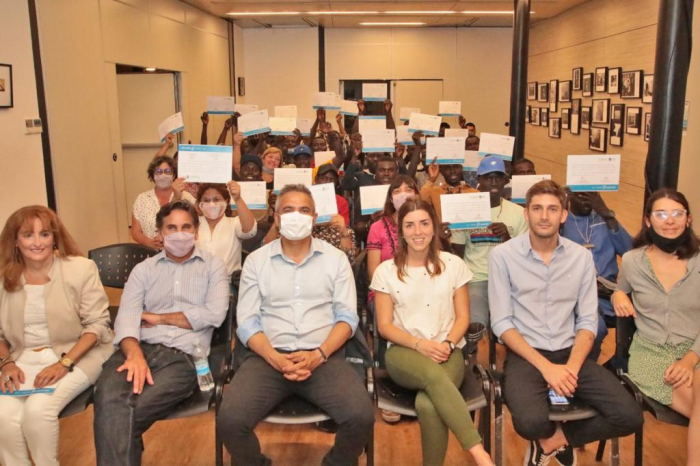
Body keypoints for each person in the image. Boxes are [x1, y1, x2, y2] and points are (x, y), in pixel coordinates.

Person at [488, 180, 643, 466]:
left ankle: (556, 442)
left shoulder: (581, 257)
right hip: (527, 356)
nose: (544, 216)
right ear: (526, 214)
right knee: (528, 422)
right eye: (537, 208)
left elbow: (587, 320)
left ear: (563, 215)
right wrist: (548, 370)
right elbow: (501, 322)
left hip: (572, 353)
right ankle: (546, 438)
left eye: (552, 209)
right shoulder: (503, 256)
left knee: (630, 415)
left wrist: (570, 369)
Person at [218, 184, 375, 466]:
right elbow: (247, 321)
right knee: (229, 420)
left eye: (304, 210)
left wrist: (319, 355)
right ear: (276, 218)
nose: (296, 216)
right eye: (288, 210)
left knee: (361, 416)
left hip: (324, 356)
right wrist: (275, 358)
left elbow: (347, 317)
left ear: (315, 218)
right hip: (268, 357)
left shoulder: (336, 260)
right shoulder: (256, 261)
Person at [93, 200, 229, 466]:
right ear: (160, 233)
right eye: (172, 227)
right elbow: (127, 318)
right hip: (135, 351)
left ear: (196, 231)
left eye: (186, 227)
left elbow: (213, 314)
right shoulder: (143, 270)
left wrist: (158, 318)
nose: (180, 234)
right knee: (108, 399)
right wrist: (134, 356)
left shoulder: (213, 266)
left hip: (182, 359)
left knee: (115, 414)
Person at [371, 199, 494, 466]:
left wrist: (448, 343)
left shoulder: (453, 265)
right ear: (400, 230)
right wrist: (419, 345)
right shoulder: (386, 272)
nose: (418, 231)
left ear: (434, 226)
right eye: (410, 225)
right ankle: (479, 453)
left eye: (424, 223)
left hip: (447, 350)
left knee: (428, 404)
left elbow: (463, 317)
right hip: (403, 353)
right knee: (432, 379)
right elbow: (384, 327)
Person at [0, 206, 114, 466]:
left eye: (45, 234)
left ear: (55, 237)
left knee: (38, 410)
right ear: (15, 241)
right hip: (21, 359)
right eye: (28, 235)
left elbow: (97, 326)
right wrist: (5, 364)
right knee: (3, 414)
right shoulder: (4, 276)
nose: (37, 242)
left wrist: (63, 364)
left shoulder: (80, 269)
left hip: (78, 354)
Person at [612, 189, 700, 464]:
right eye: (661, 214)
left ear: (688, 219)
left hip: (695, 349)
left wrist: (689, 359)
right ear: (648, 221)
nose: (670, 220)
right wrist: (617, 294)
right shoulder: (633, 261)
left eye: (677, 213)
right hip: (652, 354)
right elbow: (620, 287)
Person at [451, 156, 528, 329]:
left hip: (510, 279)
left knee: (520, 324)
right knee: (474, 324)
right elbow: (457, 254)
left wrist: (507, 238)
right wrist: (443, 237)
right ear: (479, 180)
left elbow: (525, 256)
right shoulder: (465, 210)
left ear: (505, 180)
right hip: (476, 278)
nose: (493, 182)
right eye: (488, 177)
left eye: (498, 177)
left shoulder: (519, 213)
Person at [562, 191, 632, 362]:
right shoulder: (563, 222)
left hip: (609, 294)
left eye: (592, 195)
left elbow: (631, 252)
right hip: (576, 294)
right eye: (581, 195)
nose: (588, 200)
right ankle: (585, 368)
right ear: (569, 196)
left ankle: (616, 366)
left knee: (642, 322)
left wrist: (607, 214)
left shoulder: (605, 220)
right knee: (596, 328)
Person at [263, 166, 357, 264]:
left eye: (331, 179)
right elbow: (264, 250)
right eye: (324, 178)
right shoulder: (290, 226)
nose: (327, 182)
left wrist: (344, 233)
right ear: (315, 180)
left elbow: (349, 260)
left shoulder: (337, 230)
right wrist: (277, 223)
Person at [195, 182, 257, 286]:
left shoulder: (234, 223)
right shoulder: (192, 223)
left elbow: (250, 231)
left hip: (227, 285)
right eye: (206, 200)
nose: (211, 204)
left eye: (216, 199)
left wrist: (238, 199)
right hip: (196, 283)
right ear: (199, 203)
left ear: (226, 201)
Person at [131, 156, 195, 249]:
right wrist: (150, 243)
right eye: (159, 171)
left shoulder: (186, 196)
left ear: (174, 175)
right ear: (152, 175)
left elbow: (197, 221)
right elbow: (135, 232)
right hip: (150, 254)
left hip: (180, 251)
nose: (163, 175)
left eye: (167, 171)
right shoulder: (142, 199)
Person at [367, 175, 419, 281]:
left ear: (416, 195)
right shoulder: (377, 227)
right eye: (397, 191)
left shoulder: (425, 224)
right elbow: (373, 274)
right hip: (386, 288)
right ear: (391, 199)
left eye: (408, 190)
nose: (403, 195)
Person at [420, 158, 478, 225]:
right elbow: (422, 203)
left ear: (461, 169)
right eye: (447, 167)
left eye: (456, 166)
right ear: (441, 171)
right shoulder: (434, 192)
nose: (452, 171)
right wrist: (432, 179)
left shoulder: (474, 193)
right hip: (444, 234)